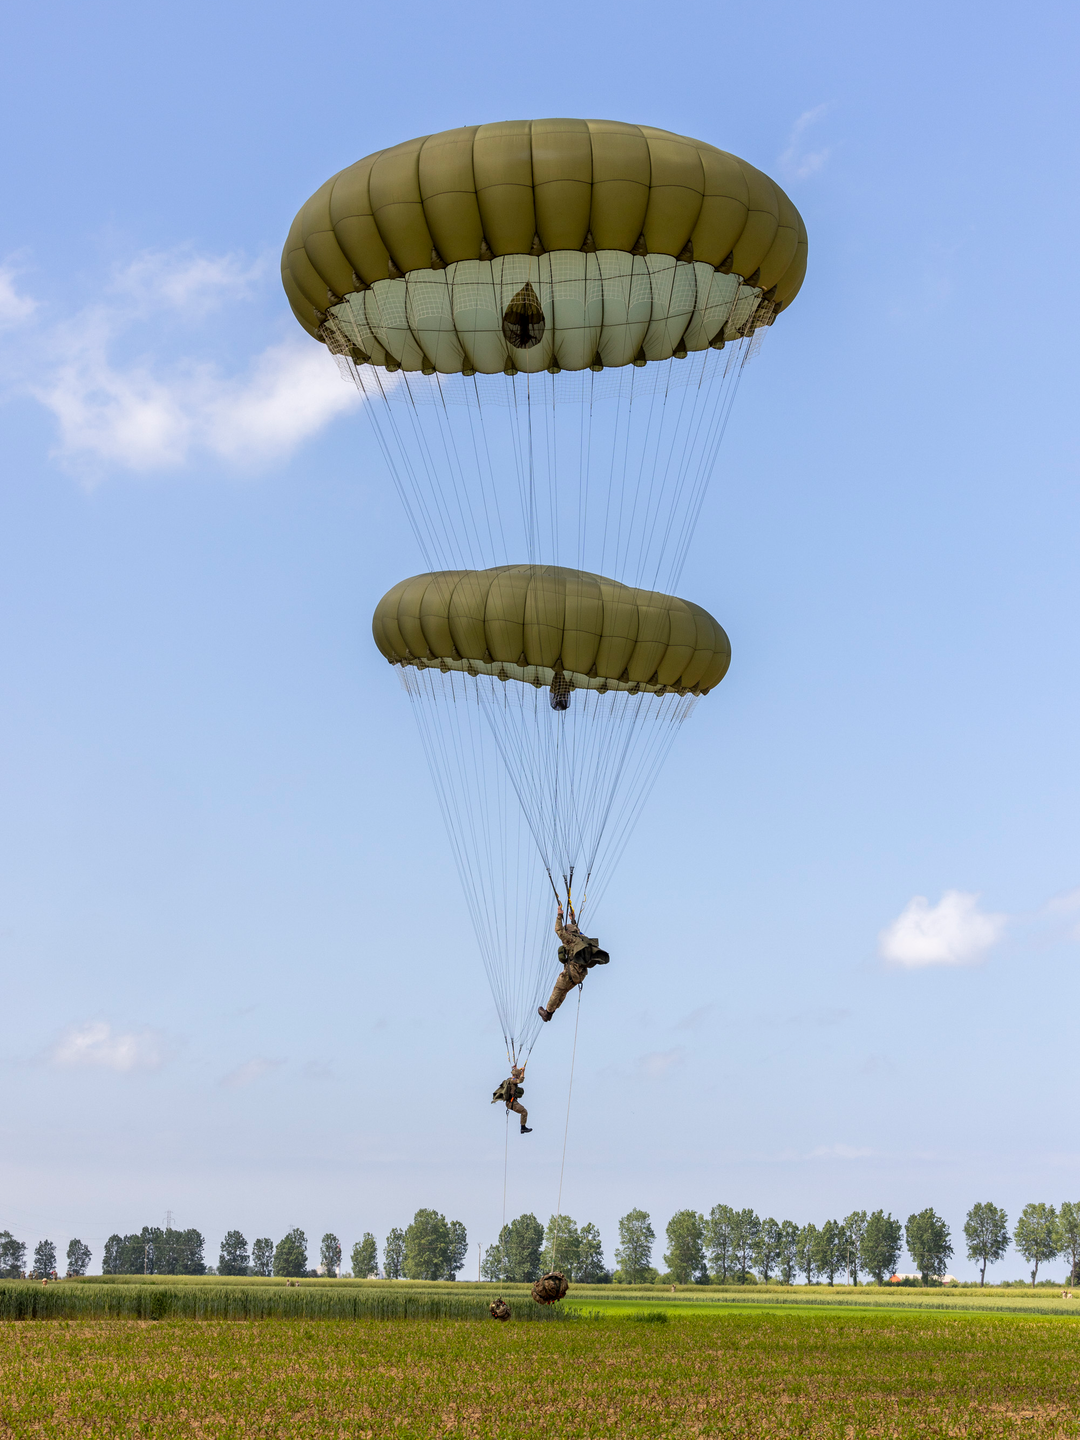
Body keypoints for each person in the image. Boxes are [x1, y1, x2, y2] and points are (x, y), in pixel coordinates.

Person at [538, 902, 609, 1021]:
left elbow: (558, 930)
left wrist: (559, 916)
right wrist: (573, 920)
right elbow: (577, 931)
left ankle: (547, 1013)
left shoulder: (569, 940)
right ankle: (552, 1012)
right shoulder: (582, 939)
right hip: (580, 975)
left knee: (558, 990)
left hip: (571, 973)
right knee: (563, 991)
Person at [492, 1063, 532, 1133]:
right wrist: (523, 1071)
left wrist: (516, 1068)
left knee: (524, 1111)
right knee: (524, 1112)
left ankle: (523, 1127)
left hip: (511, 1102)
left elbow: (516, 1077)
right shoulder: (513, 1080)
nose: (519, 1076)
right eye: (519, 1075)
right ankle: (523, 1128)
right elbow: (520, 1080)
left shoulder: (511, 1079)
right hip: (511, 1102)